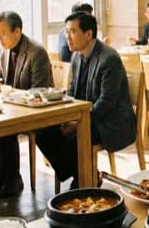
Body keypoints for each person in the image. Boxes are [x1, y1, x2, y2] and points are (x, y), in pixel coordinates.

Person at [37, 12, 135, 188]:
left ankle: (84, 178)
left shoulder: (109, 58)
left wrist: (79, 123)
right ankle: (84, 174)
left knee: (73, 141)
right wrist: (67, 118)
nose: (67, 37)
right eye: (66, 32)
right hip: (86, 116)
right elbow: (74, 92)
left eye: (72, 32)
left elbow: (106, 102)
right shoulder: (76, 56)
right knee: (44, 134)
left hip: (111, 122)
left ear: (88, 34)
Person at [0, 11, 53, 197]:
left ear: (17, 31)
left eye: (3, 34)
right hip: (13, 107)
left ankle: (12, 179)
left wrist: (13, 96)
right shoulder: (4, 51)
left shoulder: (36, 52)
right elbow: (5, 80)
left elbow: (39, 90)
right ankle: (3, 174)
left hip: (36, 110)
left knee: (3, 128)